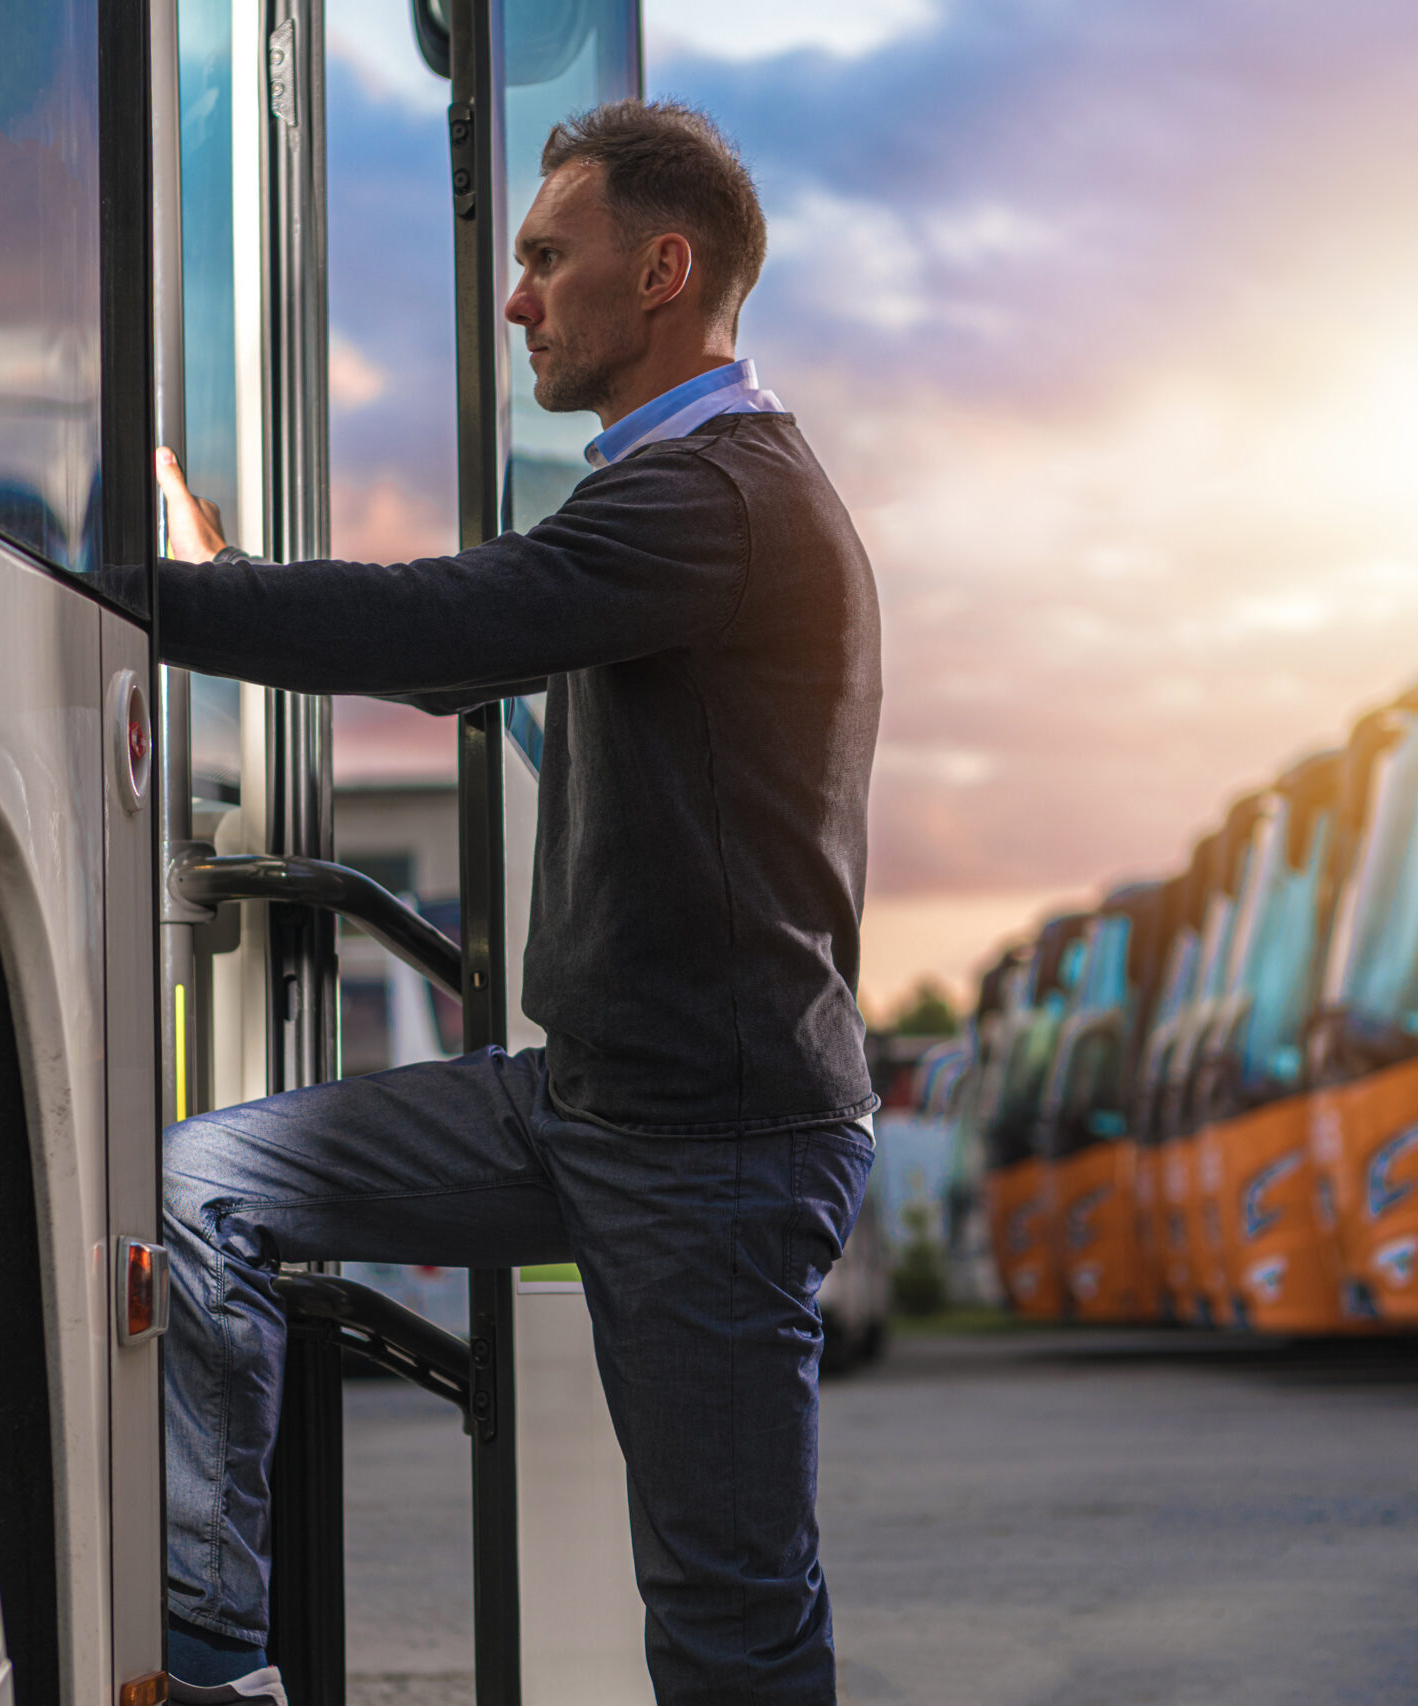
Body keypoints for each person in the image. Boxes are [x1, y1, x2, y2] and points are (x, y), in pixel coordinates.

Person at [152, 100, 880, 1706]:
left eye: (551, 256)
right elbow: (480, 644)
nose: (518, 294)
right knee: (201, 1185)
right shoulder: (658, 504)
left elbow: (449, 615)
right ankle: (211, 1658)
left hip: (721, 1146)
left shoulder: (722, 500)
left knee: (727, 1623)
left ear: (665, 271)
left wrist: (149, 592)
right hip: (585, 1105)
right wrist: (231, 577)